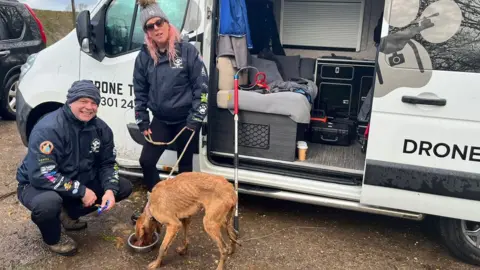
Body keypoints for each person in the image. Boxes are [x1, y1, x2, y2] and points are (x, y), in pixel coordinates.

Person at [16, 80, 133, 256]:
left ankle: (68, 215)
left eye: (94, 103)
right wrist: (81, 191)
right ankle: (54, 238)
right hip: (36, 184)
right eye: (83, 101)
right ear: (70, 101)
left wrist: (109, 189)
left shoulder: (102, 129)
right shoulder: (48, 129)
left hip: (75, 179)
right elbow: (43, 174)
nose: (89, 107)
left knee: (122, 186)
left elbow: (108, 163)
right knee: (48, 204)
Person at [132, 1, 209, 194]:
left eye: (159, 22)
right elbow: (140, 90)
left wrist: (196, 118)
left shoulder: (187, 51)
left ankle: (182, 209)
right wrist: (142, 119)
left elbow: (202, 87)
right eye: (150, 26)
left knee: (184, 168)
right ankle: (158, 202)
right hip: (161, 120)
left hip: (186, 121)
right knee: (146, 161)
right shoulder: (144, 57)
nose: (156, 28)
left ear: (167, 23)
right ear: (147, 33)